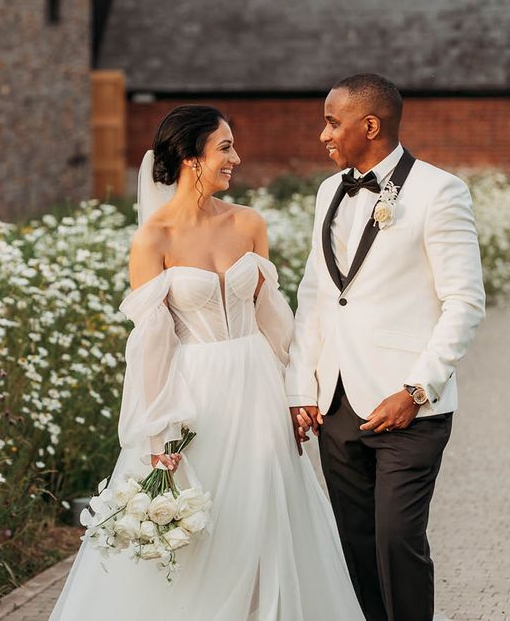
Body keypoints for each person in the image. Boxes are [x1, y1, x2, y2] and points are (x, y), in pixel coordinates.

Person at [50, 105, 364, 620]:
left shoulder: (248, 223)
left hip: (259, 384)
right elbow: (151, 346)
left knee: (266, 512)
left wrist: (297, 390)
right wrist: (157, 436)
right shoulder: (153, 239)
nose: (236, 158)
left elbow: (273, 319)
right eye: (225, 147)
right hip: (196, 397)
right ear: (191, 158)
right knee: (211, 522)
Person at [286, 74, 486, 621]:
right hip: (337, 406)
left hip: (408, 408)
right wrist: (301, 387)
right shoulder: (330, 191)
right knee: (355, 548)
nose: (323, 134)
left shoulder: (440, 191)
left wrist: (417, 389)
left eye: (332, 121)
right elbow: (316, 296)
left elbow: (465, 302)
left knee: (397, 541)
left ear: (369, 125)